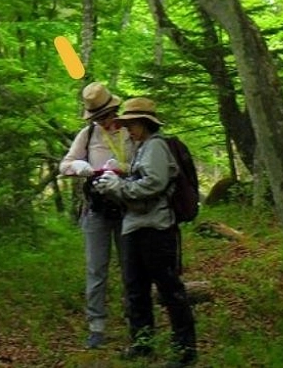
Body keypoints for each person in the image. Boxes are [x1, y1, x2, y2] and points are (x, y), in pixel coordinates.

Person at [93, 97, 197, 367]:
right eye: (127, 124)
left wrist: (118, 187)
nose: (128, 129)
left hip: (156, 228)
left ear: (145, 124)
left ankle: (184, 349)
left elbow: (153, 184)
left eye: (132, 124)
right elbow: (141, 182)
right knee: (136, 289)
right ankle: (142, 344)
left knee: (168, 288)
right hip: (135, 226)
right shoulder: (141, 149)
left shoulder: (156, 147)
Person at [59, 82, 135, 350]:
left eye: (107, 115)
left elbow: (147, 167)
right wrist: (77, 167)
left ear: (115, 110)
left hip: (129, 208)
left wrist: (123, 169)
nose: (104, 122)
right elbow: (64, 164)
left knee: (131, 267)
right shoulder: (88, 135)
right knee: (96, 268)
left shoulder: (131, 132)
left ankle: (135, 321)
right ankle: (96, 326)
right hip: (96, 210)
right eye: (98, 118)